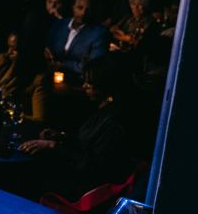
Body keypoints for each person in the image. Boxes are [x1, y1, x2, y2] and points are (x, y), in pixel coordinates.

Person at [20, 56, 135, 199]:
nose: (84, 86)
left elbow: (92, 165)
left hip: (85, 188)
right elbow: (85, 143)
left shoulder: (114, 122)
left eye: (89, 83)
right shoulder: (102, 109)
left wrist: (53, 146)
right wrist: (62, 136)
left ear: (105, 85)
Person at [45, 0, 110, 82]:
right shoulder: (60, 24)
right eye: (80, 8)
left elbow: (93, 66)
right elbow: (47, 46)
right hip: (49, 76)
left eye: (88, 10)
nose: (83, 13)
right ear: (73, 8)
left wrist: (62, 65)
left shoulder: (99, 33)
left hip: (77, 82)